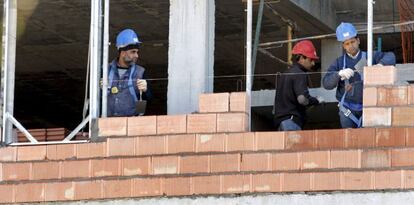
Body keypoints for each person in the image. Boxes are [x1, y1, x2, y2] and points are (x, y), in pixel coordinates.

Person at [323, 22, 396, 128]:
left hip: (368, 108)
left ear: (358, 40)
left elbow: (391, 56)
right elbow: (326, 84)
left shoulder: (370, 57)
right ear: (343, 46)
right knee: (349, 141)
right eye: (347, 44)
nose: (350, 46)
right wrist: (338, 74)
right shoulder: (339, 62)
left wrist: (380, 65)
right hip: (347, 111)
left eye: (352, 42)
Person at [274, 40, 322, 131]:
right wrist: (316, 100)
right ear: (301, 58)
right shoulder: (300, 73)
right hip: (291, 122)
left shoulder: (285, 74)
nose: (313, 63)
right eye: (311, 59)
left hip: (280, 122)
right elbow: (302, 99)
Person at [107, 28, 152, 117]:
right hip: (107, 123)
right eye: (133, 52)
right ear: (123, 53)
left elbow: (149, 99)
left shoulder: (140, 72)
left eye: (137, 52)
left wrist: (146, 91)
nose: (137, 55)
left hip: (132, 125)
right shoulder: (105, 70)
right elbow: (94, 99)